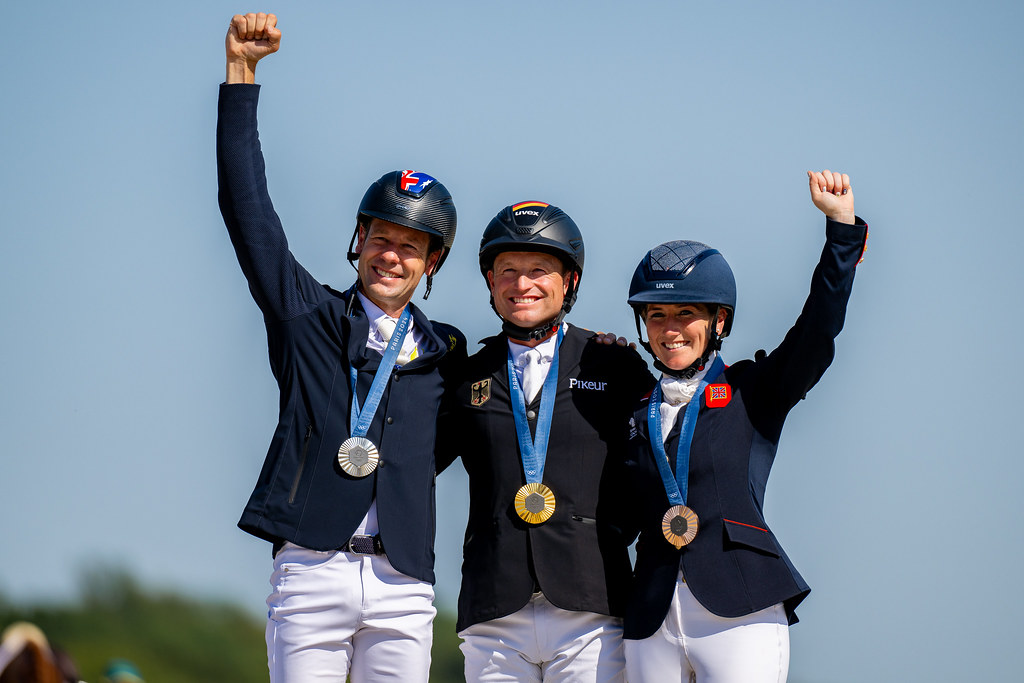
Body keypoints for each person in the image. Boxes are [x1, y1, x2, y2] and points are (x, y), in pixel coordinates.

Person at [217, 12, 465, 682]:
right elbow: (251, 213)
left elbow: (442, 442)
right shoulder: (307, 314)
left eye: (410, 247)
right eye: (381, 237)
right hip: (311, 570)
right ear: (359, 239)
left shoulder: (448, 349)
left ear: (430, 264)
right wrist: (242, 75)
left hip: (404, 581)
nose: (391, 255)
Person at [620, 170, 867, 682]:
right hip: (650, 611)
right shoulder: (631, 408)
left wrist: (841, 231)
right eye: (656, 314)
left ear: (719, 322)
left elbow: (818, 330)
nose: (669, 328)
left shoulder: (753, 391)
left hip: (739, 606)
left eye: (686, 312)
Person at [436, 201, 656, 682]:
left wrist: (613, 531)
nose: (522, 284)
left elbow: (654, 466)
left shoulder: (612, 365)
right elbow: (413, 463)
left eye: (539, 270)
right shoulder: (466, 376)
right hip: (494, 609)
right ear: (490, 281)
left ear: (569, 281)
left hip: (591, 603)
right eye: (508, 271)